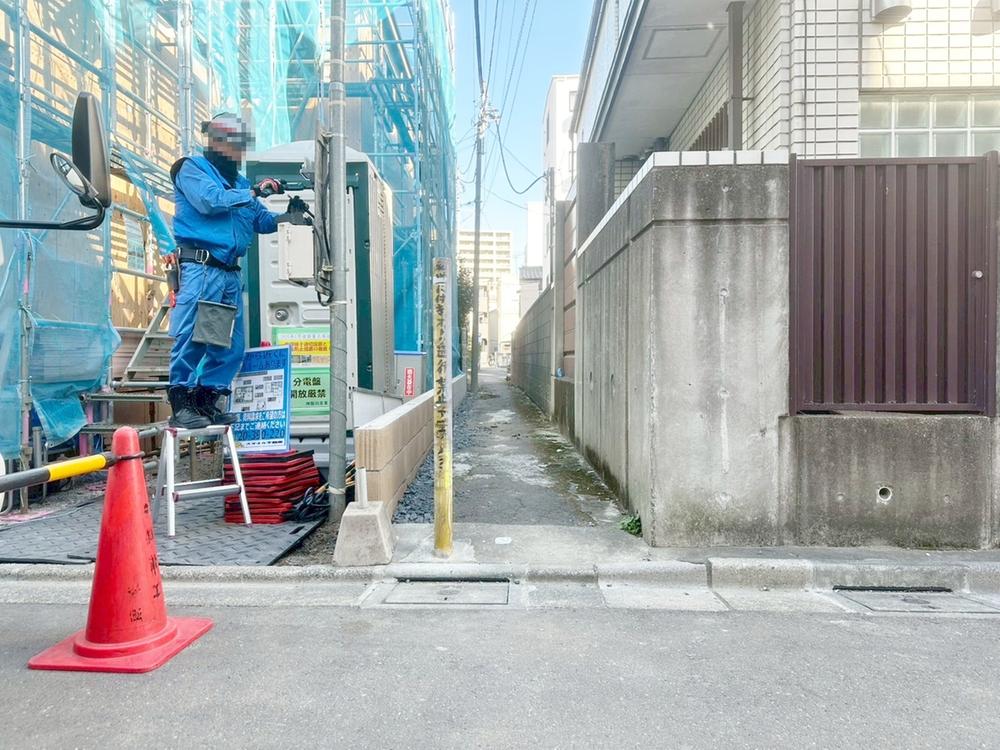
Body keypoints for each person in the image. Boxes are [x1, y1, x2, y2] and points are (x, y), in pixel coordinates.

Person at [164, 113, 305, 429]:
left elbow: (261, 221)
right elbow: (209, 201)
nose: (237, 152)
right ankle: (181, 402)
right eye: (232, 143)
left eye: (240, 146)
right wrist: (254, 192)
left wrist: (288, 217)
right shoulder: (191, 168)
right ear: (215, 141)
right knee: (192, 337)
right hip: (201, 268)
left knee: (227, 344)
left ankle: (206, 401)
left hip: (227, 274)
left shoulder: (239, 184)